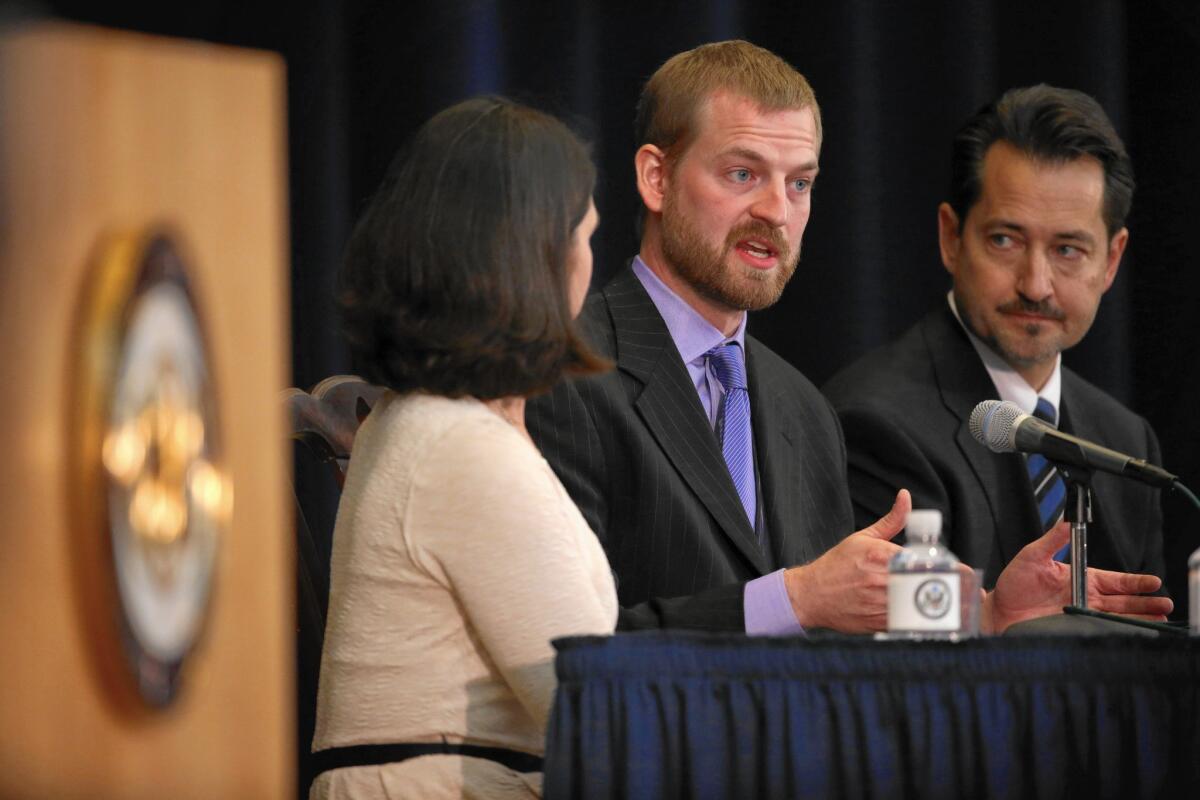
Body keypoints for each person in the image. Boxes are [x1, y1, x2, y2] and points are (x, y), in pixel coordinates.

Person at [526, 42, 1171, 636]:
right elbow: (568, 649)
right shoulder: (561, 372)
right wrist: (792, 600)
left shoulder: (800, 408)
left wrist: (991, 616)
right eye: (743, 174)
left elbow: (844, 637)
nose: (776, 212)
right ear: (656, 179)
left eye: (799, 182)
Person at [310, 97, 616, 799]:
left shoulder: (427, 422)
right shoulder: (462, 449)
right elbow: (595, 713)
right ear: (533, 258)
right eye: (585, 238)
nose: (589, 267)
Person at [823, 85, 1168, 592]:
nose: (1035, 284)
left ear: (1111, 260)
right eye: (1005, 240)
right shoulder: (876, 422)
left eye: (1068, 250)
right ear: (951, 238)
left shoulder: (1125, 441)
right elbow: (895, 654)